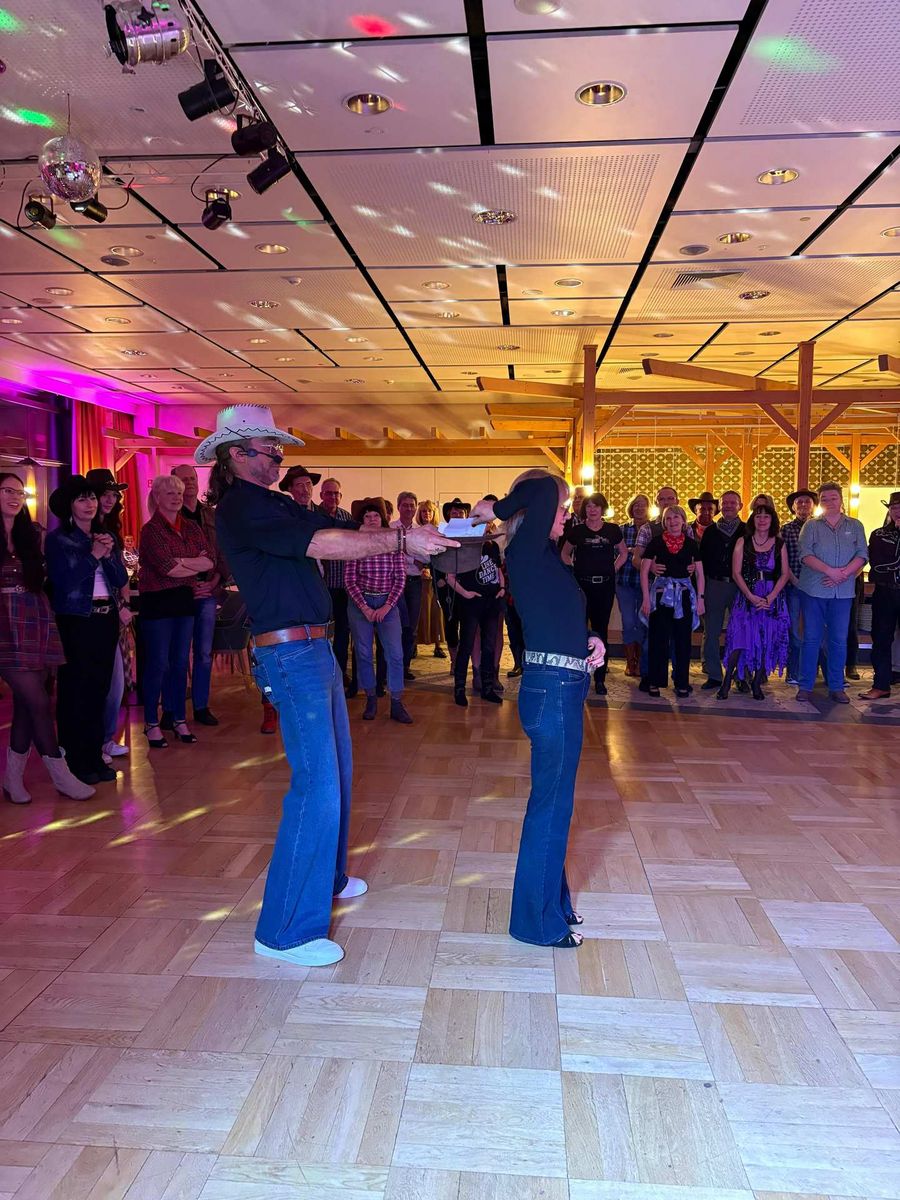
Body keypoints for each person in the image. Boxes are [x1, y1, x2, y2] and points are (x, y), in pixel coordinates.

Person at [198, 404, 454, 967]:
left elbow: (337, 531)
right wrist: (401, 541)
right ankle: (284, 931)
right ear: (236, 454)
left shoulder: (275, 502)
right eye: (269, 450)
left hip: (312, 647)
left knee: (336, 770)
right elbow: (325, 546)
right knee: (316, 784)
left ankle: (329, 878)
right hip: (290, 653)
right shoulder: (241, 506)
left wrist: (407, 534)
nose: (279, 457)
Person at [471, 473, 604, 949]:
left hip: (561, 687)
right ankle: (535, 923)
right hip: (552, 692)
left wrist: (591, 639)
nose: (565, 513)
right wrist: (498, 508)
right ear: (535, 512)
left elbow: (560, 615)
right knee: (551, 807)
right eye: (562, 507)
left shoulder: (544, 556)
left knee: (555, 805)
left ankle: (554, 905)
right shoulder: (524, 549)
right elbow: (543, 486)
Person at [1, 473, 94, 803]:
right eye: (7, 491)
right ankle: (60, 773)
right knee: (38, 701)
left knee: (28, 704)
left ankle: (13, 779)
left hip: (35, 617)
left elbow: (49, 578)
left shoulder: (32, 534)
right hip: (4, 622)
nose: (15, 497)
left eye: (20, 492)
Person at [45, 475, 128, 786]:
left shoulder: (104, 535)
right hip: (76, 619)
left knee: (99, 689)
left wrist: (109, 554)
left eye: (92, 498)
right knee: (75, 690)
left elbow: (120, 579)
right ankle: (74, 760)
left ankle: (94, 755)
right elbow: (64, 581)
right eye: (82, 499)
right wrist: (93, 555)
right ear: (70, 505)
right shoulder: (58, 540)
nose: (90, 504)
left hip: (105, 617)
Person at [138, 474, 213, 748]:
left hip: (184, 600)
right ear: (157, 497)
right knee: (158, 663)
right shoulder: (151, 530)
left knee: (181, 663)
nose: (177, 498)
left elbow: (209, 561)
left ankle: (180, 719)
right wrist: (190, 563)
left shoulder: (191, 526)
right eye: (170, 493)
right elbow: (166, 568)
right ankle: (151, 723)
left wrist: (181, 562)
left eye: (179, 493)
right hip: (157, 602)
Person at [796, 481, 867, 705]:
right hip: (814, 590)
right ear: (820, 502)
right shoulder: (811, 526)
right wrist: (830, 571)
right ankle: (805, 686)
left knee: (838, 640)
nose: (829, 502)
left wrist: (843, 574)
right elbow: (805, 554)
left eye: (833, 498)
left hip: (843, 592)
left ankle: (836, 686)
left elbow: (862, 555)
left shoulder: (855, 525)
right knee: (811, 638)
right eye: (824, 499)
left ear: (841, 500)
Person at [169, 463, 228, 727]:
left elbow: (224, 552)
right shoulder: (167, 516)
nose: (189, 482)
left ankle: (201, 706)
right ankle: (173, 709)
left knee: (204, 653)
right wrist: (190, 582)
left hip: (208, 592)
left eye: (192, 478)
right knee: (178, 655)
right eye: (183, 479)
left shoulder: (212, 515)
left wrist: (215, 582)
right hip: (180, 593)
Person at [345, 498, 411, 725]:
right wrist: (364, 607)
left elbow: (400, 578)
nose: (372, 519)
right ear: (361, 521)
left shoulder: (393, 543)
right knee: (363, 653)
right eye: (367, 516)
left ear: (382, 519)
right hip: (360, 602)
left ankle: (396, 702)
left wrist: (387, 606)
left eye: (375, 516)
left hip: (387, 604)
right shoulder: (355, 544)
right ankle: (371, 699)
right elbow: (349, 580)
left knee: (395, 654)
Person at [717, 503, 790, 701]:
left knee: (766, 640)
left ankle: (757, 683)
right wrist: (750, 596)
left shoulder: (780, 543)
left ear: (772, 520)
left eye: (766, 516)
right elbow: (736, 573)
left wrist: (770, 598)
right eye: (758, 516)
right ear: (753, 520)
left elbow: (785, 574)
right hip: (747, 597)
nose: (762, 520)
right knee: (739, 640)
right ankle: (726, 682)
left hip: (772, 598)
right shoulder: (743, 541)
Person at [87, 468, 134, 762]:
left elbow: (120, 576)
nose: (108, 500)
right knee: (95, 683)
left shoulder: (112, 532)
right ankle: (93, 743)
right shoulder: (78, 532)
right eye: (103, 494)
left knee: (116, 684)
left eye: (113, 495)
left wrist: (125, 604)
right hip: (86, 614)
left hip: (112, 610)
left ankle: (105, 739)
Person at [561, 493, 626, 695]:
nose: (592, 510)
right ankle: (578, 673)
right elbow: (564, 553)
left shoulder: (612, 530)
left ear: (602, 508)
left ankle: (599, 678)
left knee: (601, 630)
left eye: (596, 506)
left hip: (605, 587)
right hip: (582, 586)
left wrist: (613, 568)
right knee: (579, 629)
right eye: (588, 506)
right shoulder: (577, 531)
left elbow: (623, 553)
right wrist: (572, 570)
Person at [640, 504, 705, 698]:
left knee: (683, 641)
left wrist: (701, 599)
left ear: (684, 521)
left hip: (683, 596)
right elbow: (644, 571)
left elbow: (700, 574)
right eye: (668, 518)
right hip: (661, 596)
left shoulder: (691, 544)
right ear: (664, 522)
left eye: (676, 517)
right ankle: (654, 681)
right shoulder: (656, 542)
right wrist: (646, 598)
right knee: (658, 640)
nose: (672, 521)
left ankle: (682, 682)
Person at [448, 501, 505, 708]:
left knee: (489, 646)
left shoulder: (492, 546)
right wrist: (466, 593)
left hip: (492, 600)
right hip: (471, 602)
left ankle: (488, 688)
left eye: (487, 523)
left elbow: (498, 569)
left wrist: (502, 587)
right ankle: (459, 689)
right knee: (467, 644)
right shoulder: (462, 546)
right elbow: (449, 576)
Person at [697, 490, 745, 690]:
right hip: (714, 585)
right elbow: (701, 562)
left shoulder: (747, 530)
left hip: (739, 586)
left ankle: (741, 675)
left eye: (733, 503)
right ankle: (714, 675)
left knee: (740, 632)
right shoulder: (710, 531)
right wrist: (701, 591)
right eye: (725, 503)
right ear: (720, 506)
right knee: (711, 632)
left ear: (740, 506)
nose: (728, 506)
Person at [860, 490, 900, 700]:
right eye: (894, 508)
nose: (898, 511)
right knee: (881, 638)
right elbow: (877, 564)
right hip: (885, 591)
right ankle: (881, 685)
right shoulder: (879, 534)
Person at [317, 478, 356, 688]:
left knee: (342, 633)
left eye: (336, 493)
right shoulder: (314, 516)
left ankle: (340, 674)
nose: (332, 497)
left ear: (340, 496)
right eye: (328, 493)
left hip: (343, 587)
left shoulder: (346, 517)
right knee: (321, 634)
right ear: (321, 495)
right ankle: (324, 675)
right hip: (321, 587)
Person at [782, 488, 818, 685]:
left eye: (807, 501)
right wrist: (794, 580)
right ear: (793, 507)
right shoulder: (786, 530)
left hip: (817, 588)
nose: (803, 505)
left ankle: (812, 670)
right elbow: (782, 559)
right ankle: (793, 671)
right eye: (799, 502)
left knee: (815, 630)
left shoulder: (820, 528)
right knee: (795, 632)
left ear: (814, 506)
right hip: (794, 586)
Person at [616, 494, 650, 678]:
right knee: (628, 622)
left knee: (642, 622)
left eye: (643, 505)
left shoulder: (652, 529)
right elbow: (616, 553)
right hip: (625, 582)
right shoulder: (621, 529)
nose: (639, 508)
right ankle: (631, 662)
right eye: (636, 505)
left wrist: (631, 551)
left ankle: (641, 661)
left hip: (646, 585)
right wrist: (633, 551)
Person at [435, 497, 470, 666]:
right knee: (450, 623)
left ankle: (464, 661)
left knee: (468, 625)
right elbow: (434, 557)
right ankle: (454, 661)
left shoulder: (472, 533)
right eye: (454, 512)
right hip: (446, 586)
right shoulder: (441, 533)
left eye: (460, 512)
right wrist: (439, 579)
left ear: (466, 515)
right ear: (449, 515)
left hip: (468, 584)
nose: (457, 514)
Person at [414, 499, 447, 659]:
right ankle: (414, 645)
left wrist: (431, 568)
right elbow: (413, 552)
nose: (426, 514)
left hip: (437, 577)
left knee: (436, 612)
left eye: (429, 511)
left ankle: (438, 645)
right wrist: (421, 567)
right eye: (423, 511)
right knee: (419, 612)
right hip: (418, 577)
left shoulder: (440, 531)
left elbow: (443, 554)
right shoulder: (415, 531)